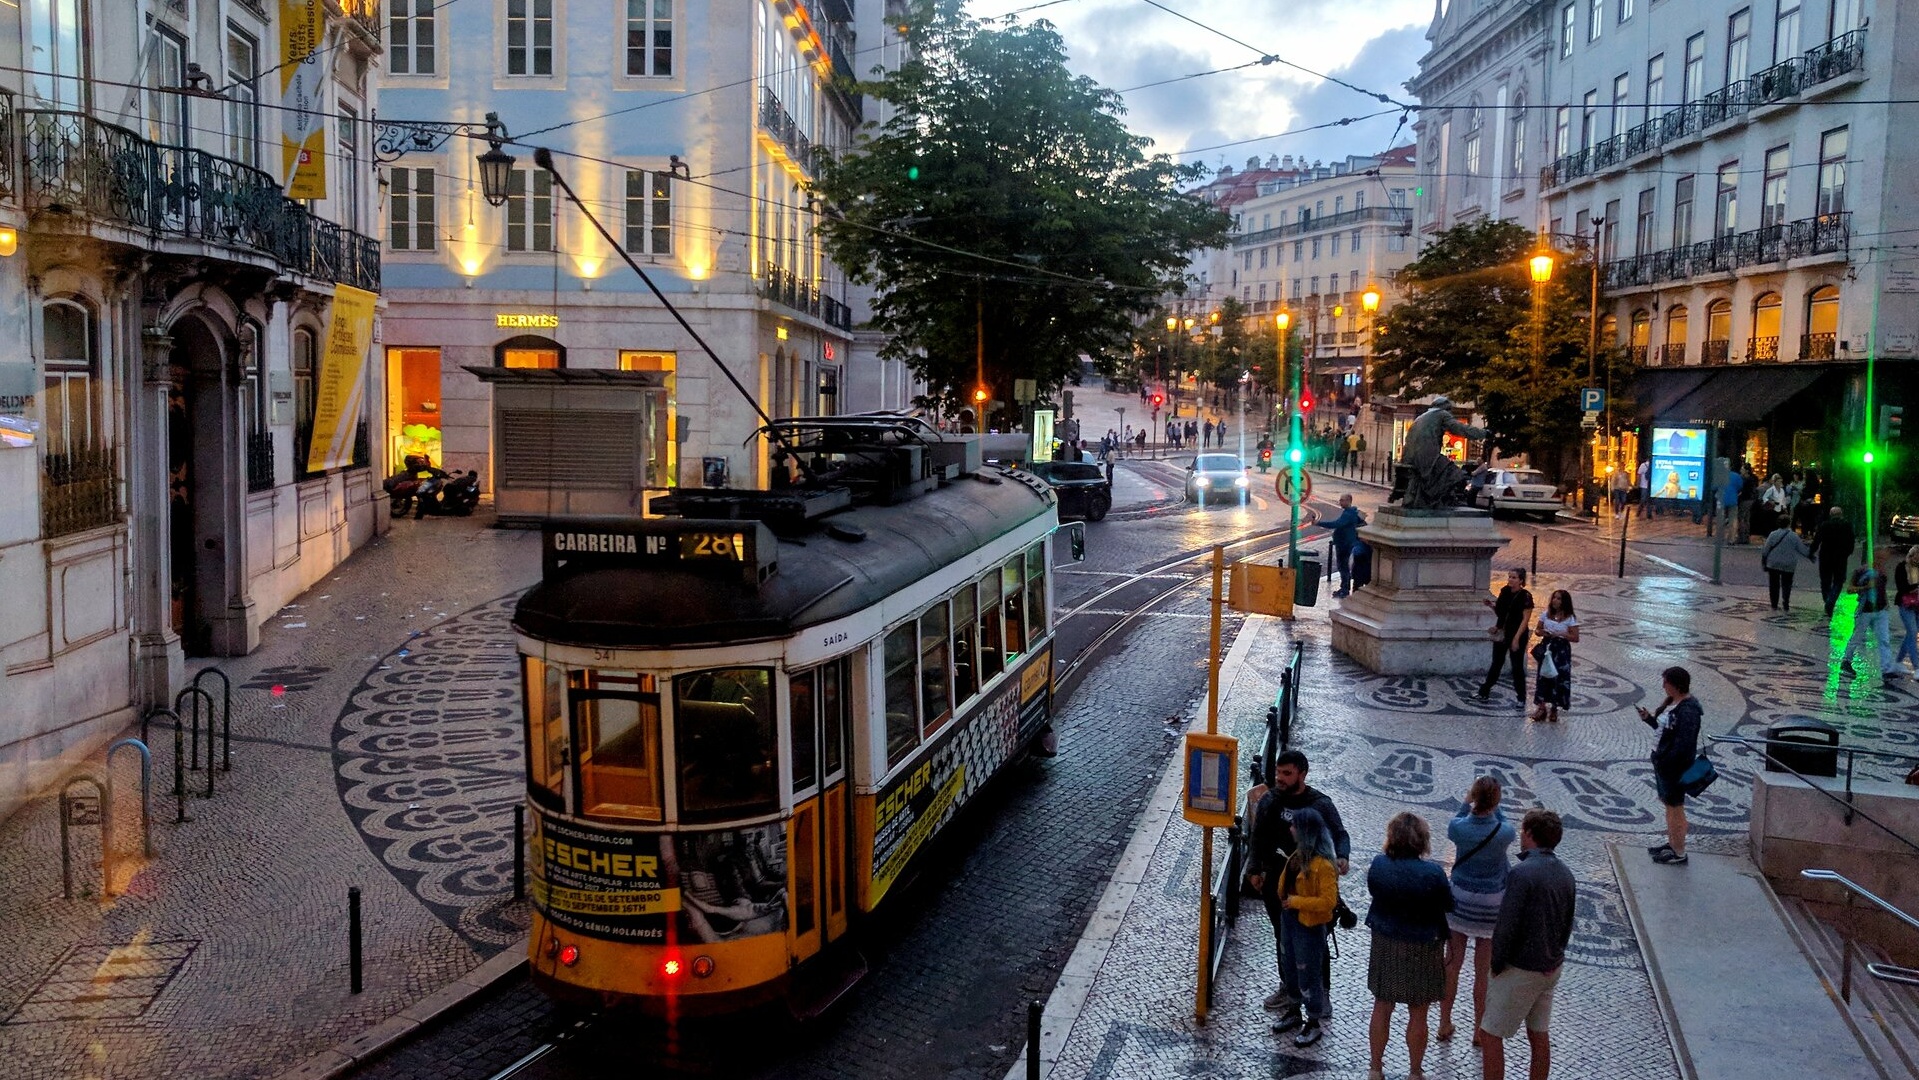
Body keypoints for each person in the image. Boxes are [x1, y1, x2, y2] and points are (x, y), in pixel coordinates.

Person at [1247, 751, 1352, 1023]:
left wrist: (1342, 855)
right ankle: (1288, 988)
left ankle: (1321, 993)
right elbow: (1258, 836)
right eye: (1278, 773)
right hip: (1278, 884)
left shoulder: (1320, 804)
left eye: (1287, 774)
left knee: (1317, 941)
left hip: (1313, 886)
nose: (1280, 779)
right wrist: (1254, 868)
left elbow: (1340, 833)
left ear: (1302, 774)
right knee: (1283, 938)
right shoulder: (1270, 800)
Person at [1479, 809, 1577, 1080]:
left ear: (1530, 835)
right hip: (1550, 967)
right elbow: (1567, 923)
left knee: (1489, 1034)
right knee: (1538, 1032)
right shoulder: (1566, 874)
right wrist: (1555, 957)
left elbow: (1507, 925)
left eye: (1523, 831)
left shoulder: (1522, 874)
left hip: (1521, 968)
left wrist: (1497, 964)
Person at [1365, 813, 1455, 1080]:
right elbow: (1448, 904)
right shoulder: (1433, 873)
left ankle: (1375, 1068)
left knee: (1382, 1005)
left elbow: (1373, 891)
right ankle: (1415, 1071)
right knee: (1419, 1012)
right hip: (1423, 946)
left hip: (1386, 943)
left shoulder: (1379, 865)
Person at [1441, 778, 1518, 1050]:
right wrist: (1495, 806)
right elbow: (1503, 819)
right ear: (1496, 801)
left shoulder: (1459, 828)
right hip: (1490, 905)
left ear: (1473, 796)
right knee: (1481, 972)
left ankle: (1444, 1021)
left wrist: (1466, 803)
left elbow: (1458, 819)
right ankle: (1477, 1029)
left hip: (1461, 900)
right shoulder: (1504, 832)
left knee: (1452, 964)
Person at [1267, 807, 1340, 1048]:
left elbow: (1328, 902)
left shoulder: (1324, 866)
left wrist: (1296, 902)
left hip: (1308, 925)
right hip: (1289, 919)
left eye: (1295, 826)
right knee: (1290, 966)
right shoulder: (1297, 856)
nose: (1291, 829)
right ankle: (1294, 1009)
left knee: (1308, 972)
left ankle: (1314, 1020)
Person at [1639, 666, 1702, 865]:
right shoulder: (1675, 704)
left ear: (1675, 684)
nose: (1663, 685)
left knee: (1676, 807)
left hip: (1674, 767)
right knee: (1669, 804)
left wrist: (1666, 761)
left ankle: (1679, 851)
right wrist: (1650, 719)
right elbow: (1665, 730)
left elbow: (1684, 743)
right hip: (1664, 763)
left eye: (1665, 681)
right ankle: (1672, 843)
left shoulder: (1689, 710)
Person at [1478, 569, 1535, 705]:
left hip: (1517, 634)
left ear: (1521, 580)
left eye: (1514, 577)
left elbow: (1525, 620)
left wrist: (1516, 639)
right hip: (1503, 633)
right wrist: (1492, 608)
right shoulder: (1504, 591)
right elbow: (1501, 613)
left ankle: (1521, 697)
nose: (1510, 580)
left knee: (1517, 666)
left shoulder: (1525, 596)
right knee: (1496, 663)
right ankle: (1484, 691)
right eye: (1509, 577)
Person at [1841, 549, 1898, 680]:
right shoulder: (1862, 571)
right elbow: (1850, 589)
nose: (1883, 561)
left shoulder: (1882, 572)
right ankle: (1846, 660)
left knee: (1884, 639)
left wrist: (1886, 602)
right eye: (1881, 558)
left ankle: (1886, 668)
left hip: (1880, 610)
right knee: (1857, 637)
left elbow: (1881, 588)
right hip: (1865, 611)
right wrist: (1865, 587)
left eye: (1885, 559)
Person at [1529, 591, 1579, 723]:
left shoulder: (1570, 618)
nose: (1555, 601)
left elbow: (1575, 637)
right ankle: (1541, 707)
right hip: (1547, 647)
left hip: (1561, 650)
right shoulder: (1546, 614)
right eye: (1554, 598)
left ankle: (1555, 708)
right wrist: (1543, 632)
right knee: (1543, 675)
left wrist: (1561, 634)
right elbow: (1537, 630)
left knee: (1558, 677)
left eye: (1559, 599)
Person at [1811, 506, 1857, 618]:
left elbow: (1817, 539)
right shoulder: (1847, 525)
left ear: (1831, 515)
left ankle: (1827, 599)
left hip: (1826, 556)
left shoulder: (1824, 525)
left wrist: (1811, 551)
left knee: (1825, 580)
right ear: (1841, 514)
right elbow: (1851, 540)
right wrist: (1848, 552)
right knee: (1839, 580)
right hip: (1840, 557)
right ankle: (1831, 600)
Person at [1760, 518, 1811, 611]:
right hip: (1789, 563)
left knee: (1774, 584)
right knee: (1787, 583)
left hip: (1774, 563)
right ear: (1789, 523)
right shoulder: (1794, 536)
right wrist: (1810, 555)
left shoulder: (1773, 534)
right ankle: (1786, 602)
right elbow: (1802, 549)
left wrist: (1764, 560)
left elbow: (1766, 549)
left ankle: (1774, 604)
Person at [1328, 494, 1366, 598]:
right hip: (1344, 543)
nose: (1340, 502)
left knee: (1343, 567)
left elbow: (1337, 523)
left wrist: (1319, 523)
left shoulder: (1349, 514)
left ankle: (1345, 589)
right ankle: (1344, 588)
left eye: (1342, 500)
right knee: (1342, 567)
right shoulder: (1349, 512)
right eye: (1340, 500)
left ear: (1349, 501)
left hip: (1345, 544)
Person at [1897, 546, 1919, 675]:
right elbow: (1901, 587)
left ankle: (1898, 661)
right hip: (1906, 604)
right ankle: (1916, 666)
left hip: (1918, 605)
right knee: (1912, 632)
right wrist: (1914, 588)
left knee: (1910, 634)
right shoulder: (1902, 567)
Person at [1734, 462, 1757, 543]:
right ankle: (1746, 537)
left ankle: (1741, 537)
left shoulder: (1744, 479)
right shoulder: (1752, 478)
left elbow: (1741, 490)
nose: (1741, 470)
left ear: (1746, 471)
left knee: (1741, 518)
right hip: (1750, 500)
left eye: (1742, 469)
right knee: (1746, 519)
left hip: (1744, 499)